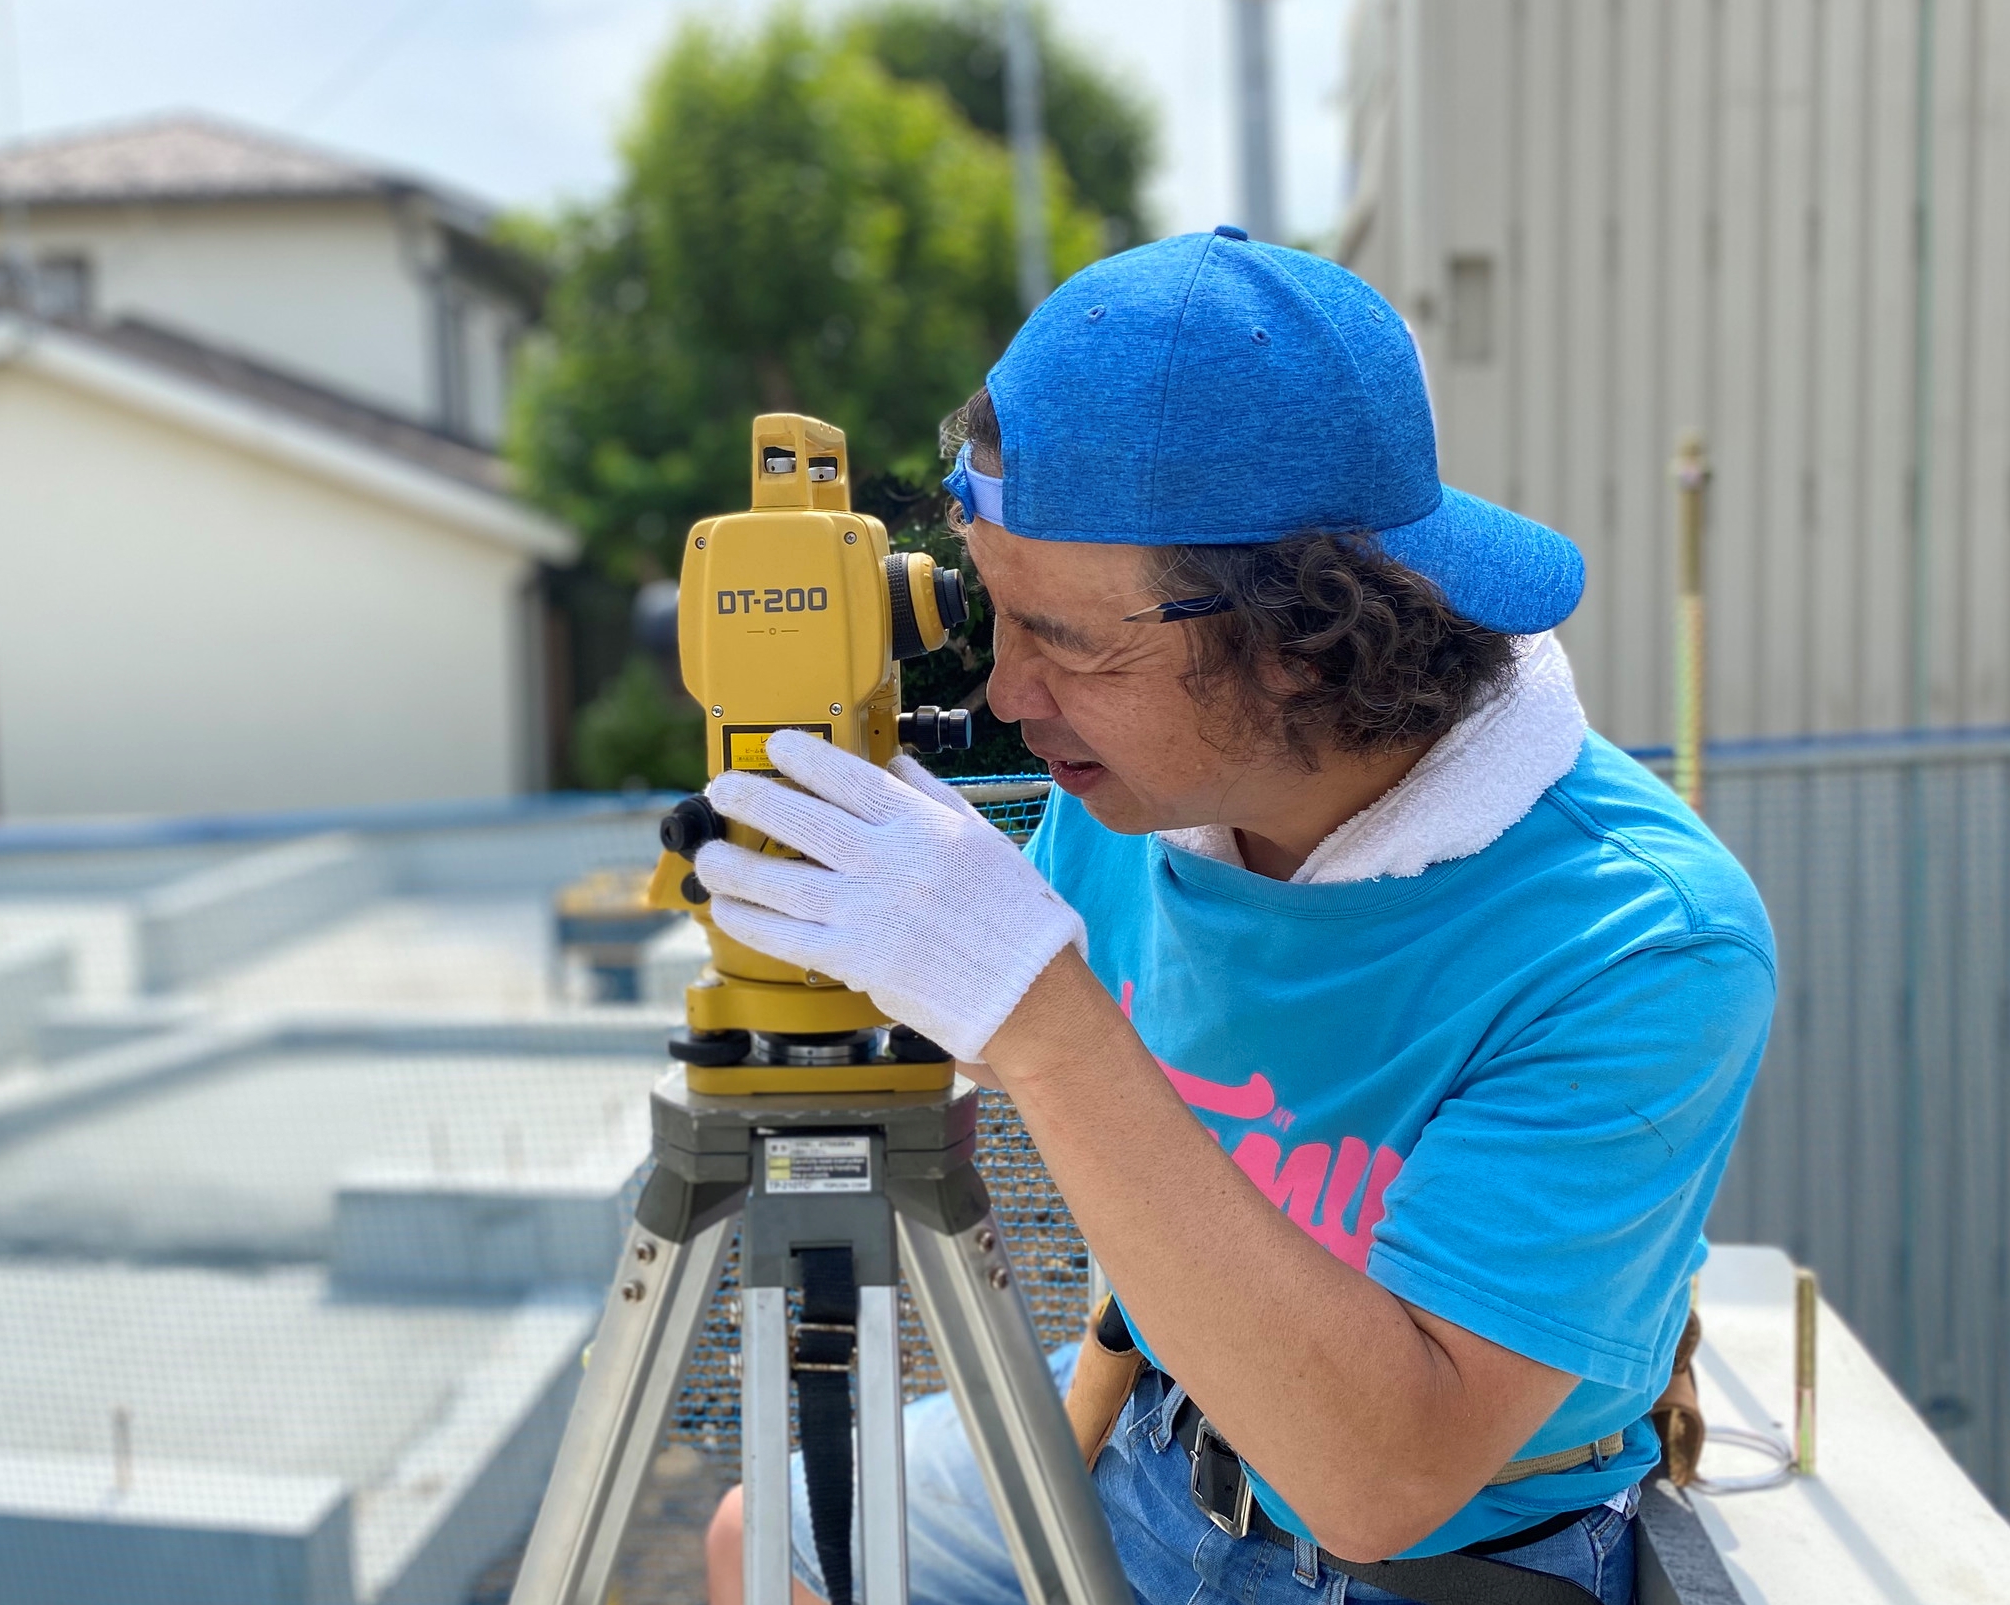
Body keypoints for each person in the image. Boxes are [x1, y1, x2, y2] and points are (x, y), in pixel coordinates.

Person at [696, 227, 1774, 1605]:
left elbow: (1376, 1480)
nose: (1008, 694)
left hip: (1423, 1560)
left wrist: (1034, 1006)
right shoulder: (1141, 799)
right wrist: (856, 924)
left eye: (1068, 642)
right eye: (996, 615)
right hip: (1150, 1424)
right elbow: (1046, 1090)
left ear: (1301, 639)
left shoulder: (1636, 941)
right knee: (766, 1540)